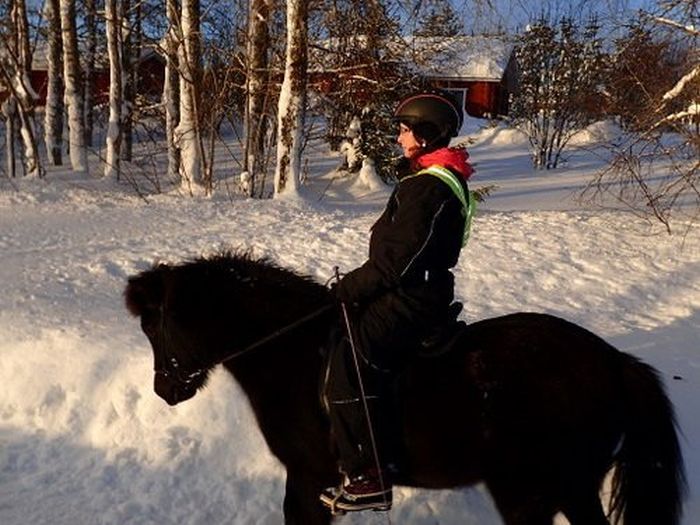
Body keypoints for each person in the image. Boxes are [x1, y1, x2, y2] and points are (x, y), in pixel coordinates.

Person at [320, 90, 474, 514]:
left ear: (425, 135)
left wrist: (344, 290)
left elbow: (395, 264)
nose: (398, 139)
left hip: (412, 297)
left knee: (350, 361)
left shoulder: (429, 187)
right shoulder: (432, 179)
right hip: (414, 288)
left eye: (405, 131)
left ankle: (369, 475)